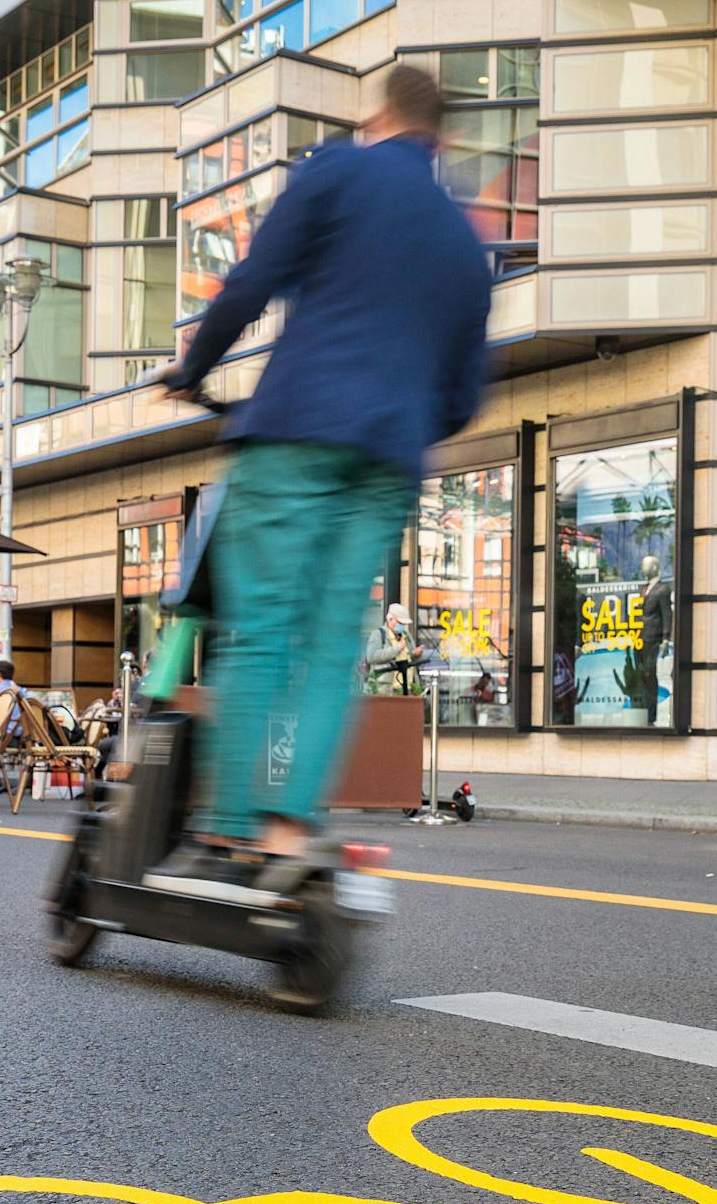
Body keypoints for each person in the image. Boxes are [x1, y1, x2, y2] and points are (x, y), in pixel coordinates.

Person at [146, 63, 492, 893]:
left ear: (376, 116)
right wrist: (401, 421)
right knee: (335, 644)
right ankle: (290, 827)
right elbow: (462, 395)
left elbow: (253, 283)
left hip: (297, 431)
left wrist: (193, 367)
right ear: (440, 139)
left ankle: (228, 832)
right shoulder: (465, 242)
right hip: (387, 462)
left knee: (261, 630)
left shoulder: (338, 170)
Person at [637, 555, 672, 726]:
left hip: (653, 637)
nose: (642, 568)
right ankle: (645, 712)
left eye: (645, 565)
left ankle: (651, 715)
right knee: (643, 675)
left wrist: (666, 638)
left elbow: (667, 614)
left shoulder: (662, 590)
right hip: (642, 638)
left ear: (654, 567)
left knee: (650, 675)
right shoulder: (645, 588)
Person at [364, 603, 423, 695]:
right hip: (384, 688)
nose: (402, 626)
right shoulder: (378, 634)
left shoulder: (406, 635)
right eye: (400, 623)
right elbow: (371, 657)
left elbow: (408, 657)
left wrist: (414, 654)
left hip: (406, 687)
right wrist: (397, 648)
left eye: (404, 624)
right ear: (390, 619)